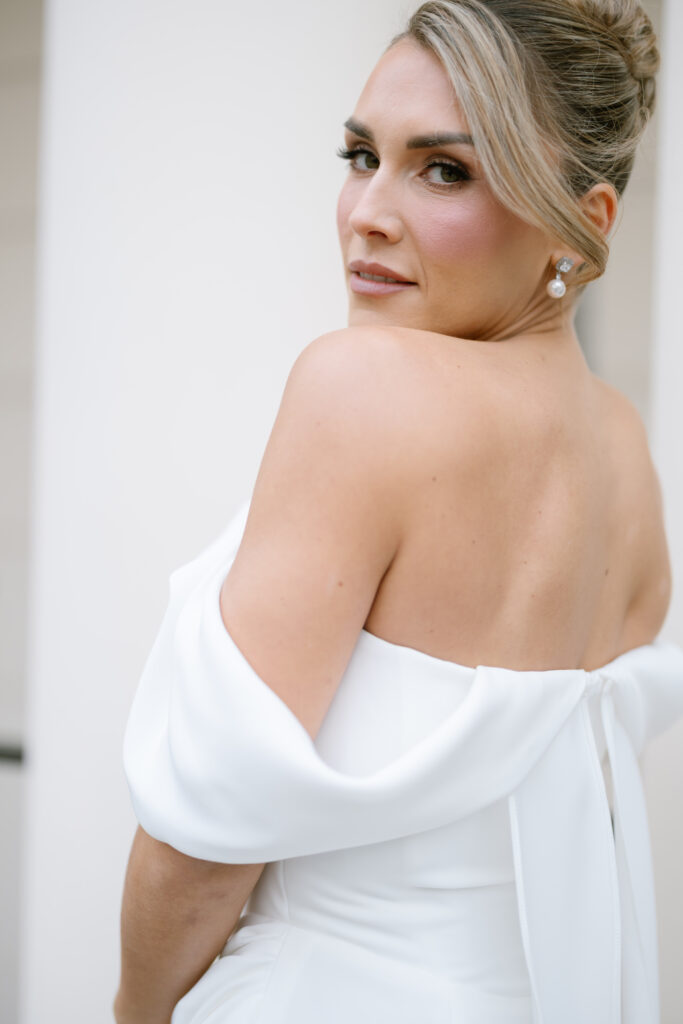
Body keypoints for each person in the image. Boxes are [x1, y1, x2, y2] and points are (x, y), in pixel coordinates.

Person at [115, 2, 683, 1022]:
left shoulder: (360, 387)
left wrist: (133, 1010)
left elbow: (203, 845)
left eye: (444, 170)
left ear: (586, 223)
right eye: (360, 156)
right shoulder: (626, 455)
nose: (366, 213)